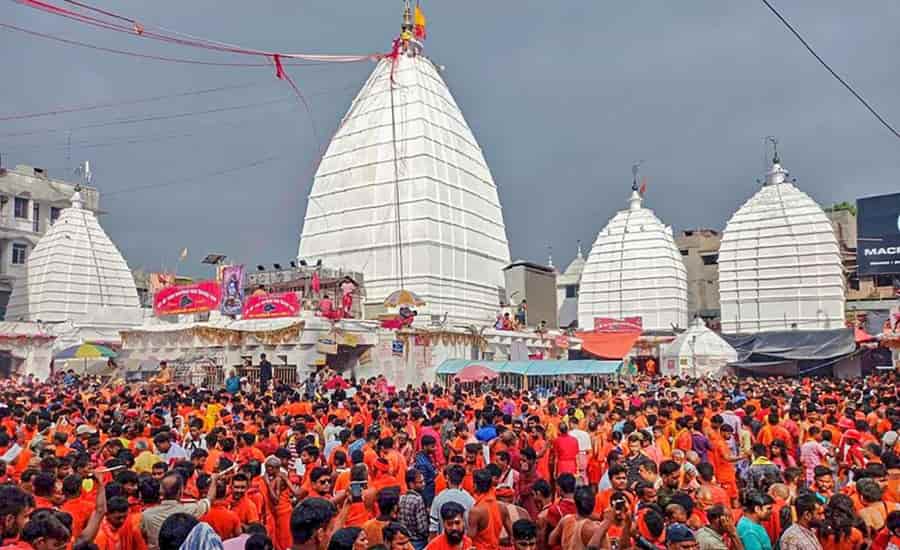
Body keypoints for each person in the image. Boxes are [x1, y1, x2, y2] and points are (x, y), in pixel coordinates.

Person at [140, 470, 221, 550]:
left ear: (161, 492)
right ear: (180, 492)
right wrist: (213, 480)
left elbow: (144, 535)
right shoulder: (190, 509)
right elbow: (209, 499)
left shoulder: (146, 515)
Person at [429, 465, 474, 537]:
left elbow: (433, 527)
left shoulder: (438, 498)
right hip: (462, 543)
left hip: (443, 543)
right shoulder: (470, 499)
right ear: (462, 480)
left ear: (447, 478)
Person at [398, 469, 429, 550]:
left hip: (404, 540)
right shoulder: (418, 500)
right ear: (411, 484)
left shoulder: (401, 498)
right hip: (417, 541)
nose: (423, 484)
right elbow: (422, 528)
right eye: (420, 482)